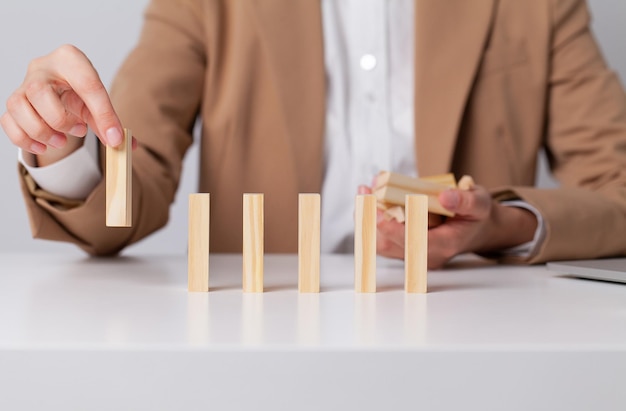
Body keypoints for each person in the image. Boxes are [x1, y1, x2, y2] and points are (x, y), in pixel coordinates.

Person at [2, 0, 625, 268]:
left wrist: (506, 226)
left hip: (467, 334)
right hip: (260, 341)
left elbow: (618, 190)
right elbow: (131, 186)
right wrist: (64, 147)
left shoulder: (536, 6)